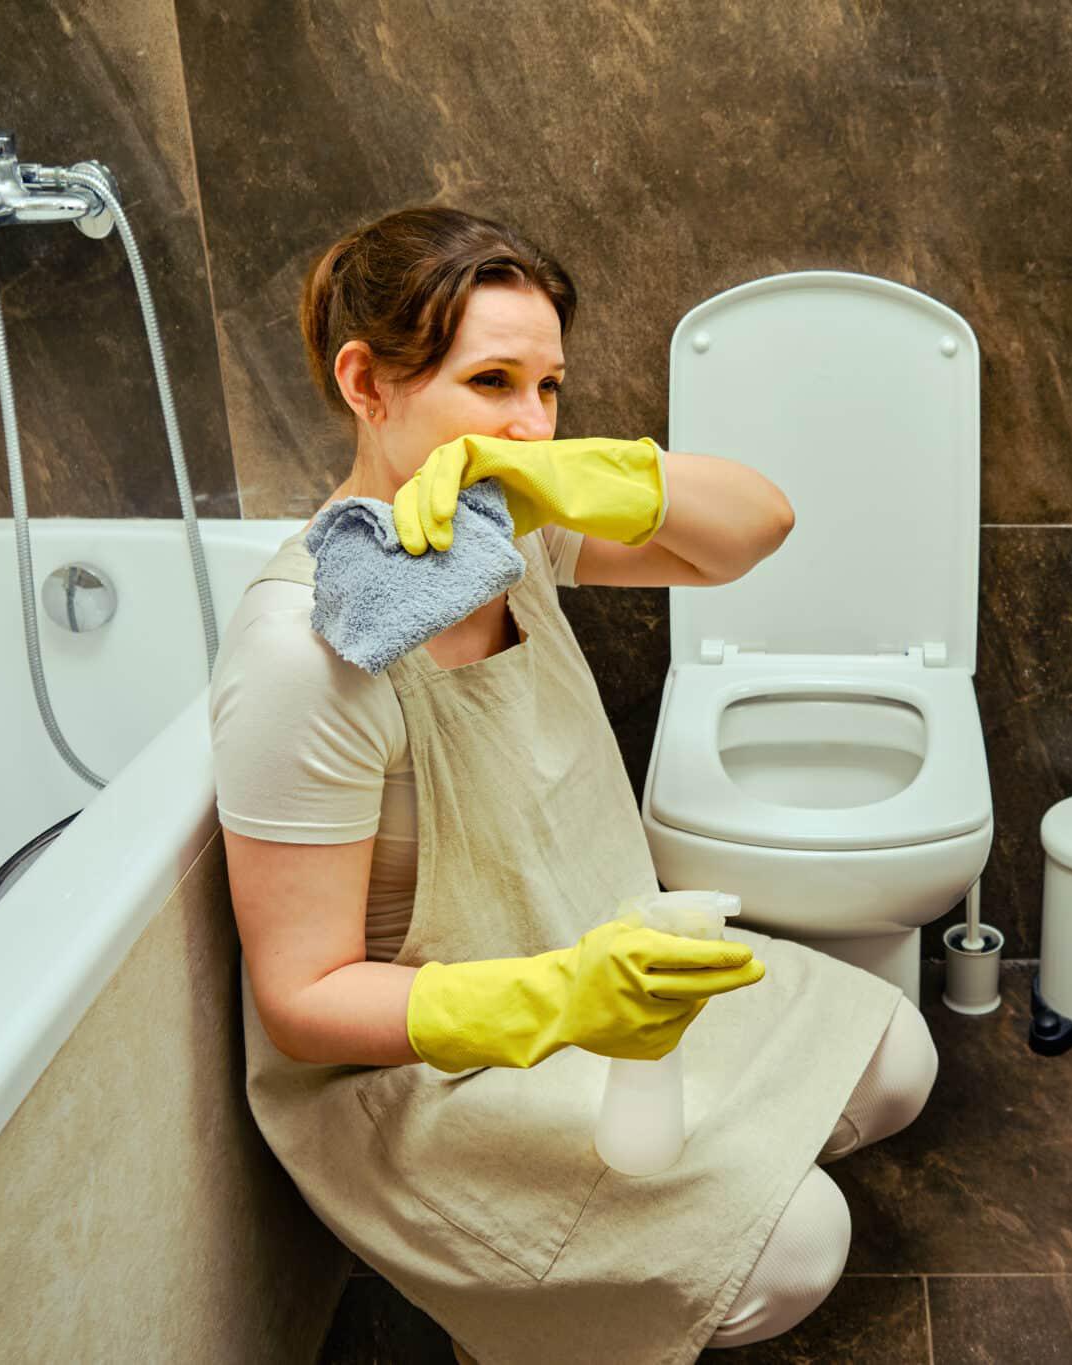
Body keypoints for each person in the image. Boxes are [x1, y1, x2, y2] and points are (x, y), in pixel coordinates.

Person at [207, 206, 938, 1363]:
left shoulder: (514, 536)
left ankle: (672, 1220)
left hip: (600, 963)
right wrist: (551, 1004)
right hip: (432, 1085)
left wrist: (564, 474)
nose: (531, 421)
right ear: (367, 383)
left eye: (549, 389)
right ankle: (581, 1288)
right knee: (802, 1246)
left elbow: (756, 528)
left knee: (899, 1054)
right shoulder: (307, 650)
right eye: (490, 380)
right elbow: (299, 1003)